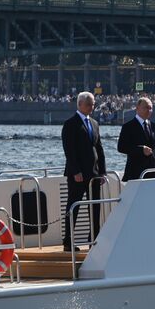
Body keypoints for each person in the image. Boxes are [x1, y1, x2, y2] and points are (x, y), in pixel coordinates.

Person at [62, 91, 107, 252]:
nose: (92, 107)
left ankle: (93, 239)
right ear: (80, 104)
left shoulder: (94, 123)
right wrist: (75, 171)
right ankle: (68, 241)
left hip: (93, 174)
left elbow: (99, 149)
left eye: (93, 104)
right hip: (78, 175)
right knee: (74, 207)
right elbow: (69, 150)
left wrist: (103, 172)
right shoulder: (70, 124)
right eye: (89, 104)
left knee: (95, 207)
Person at [117, 97, 155, 181]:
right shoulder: (128, 126)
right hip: (135, 173)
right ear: (137, 108)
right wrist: (140, 150)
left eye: (150, 108)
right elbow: (121, 147)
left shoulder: (154, 126)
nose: (149, 110)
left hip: (152, 172)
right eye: (146, 107)